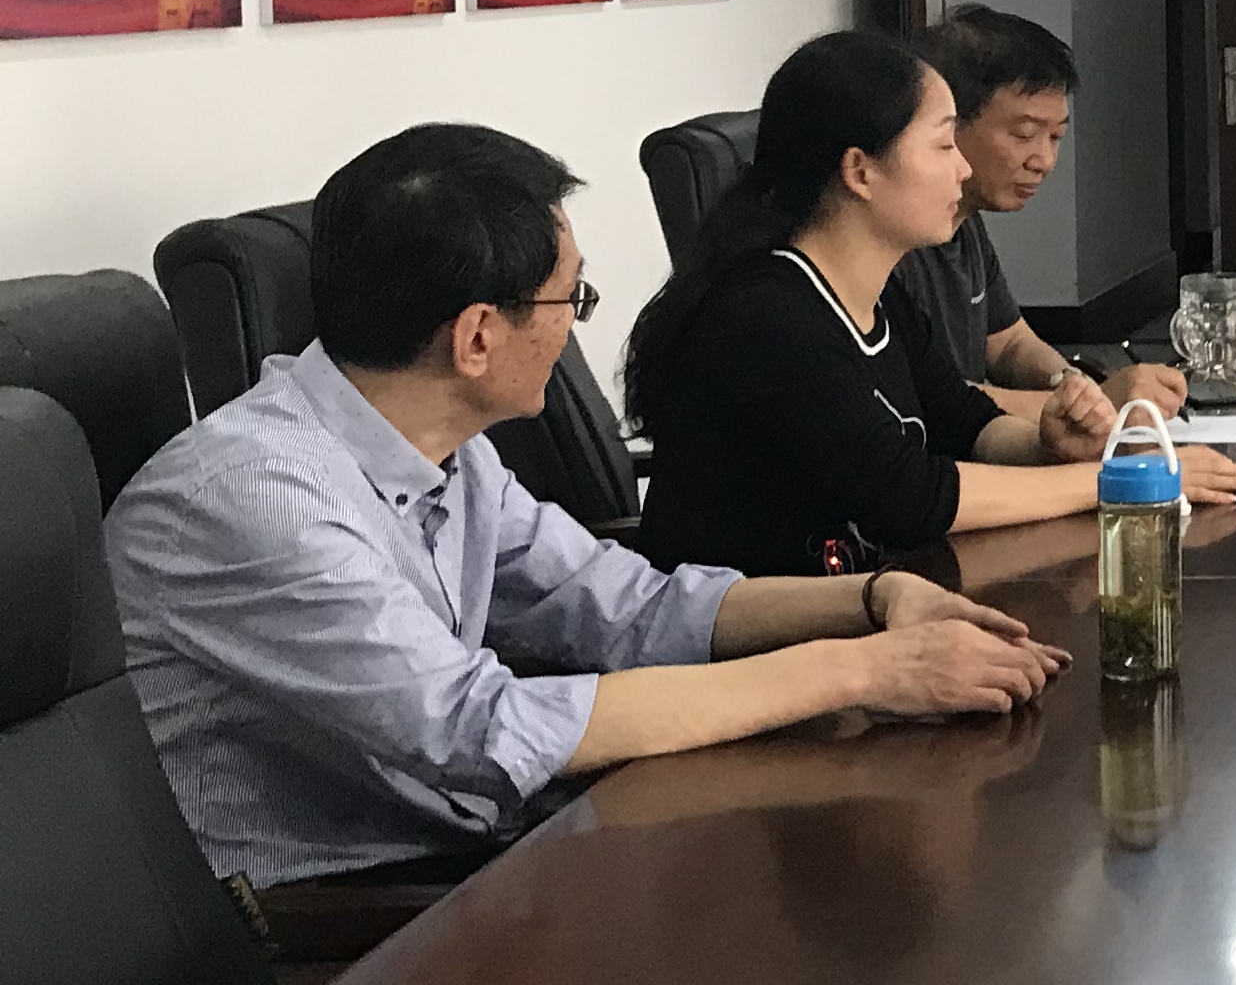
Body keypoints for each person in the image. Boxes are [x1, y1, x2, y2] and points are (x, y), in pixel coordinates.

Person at [106, 124, 1075, 892]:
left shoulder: (447, 454)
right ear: (477, 337)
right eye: (572, 301)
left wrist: (871, 603)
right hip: (338, 914)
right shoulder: (256, 499)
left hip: (471, 854)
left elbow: (624, 606)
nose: (576, 324)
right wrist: (862, 670)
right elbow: (477, 730)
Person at [629, 30, 1236, 581]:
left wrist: (1049, 443)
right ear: (860, 172)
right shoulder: (771, 315)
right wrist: (1114, 481)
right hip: (752, 642)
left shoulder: (880, 298)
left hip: (865, 608)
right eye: (944, 145)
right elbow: (908, 496)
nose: (962, 169)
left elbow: (965, 422)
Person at [900, 3, 1188, 434]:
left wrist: (1074, 386)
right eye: (1025, 134)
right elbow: (932, 400)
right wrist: (1095, 402)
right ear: (947, 125)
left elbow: (1009, 343)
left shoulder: (964, 220)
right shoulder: (894, 238)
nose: (1044, 161)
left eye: (1055, 137)